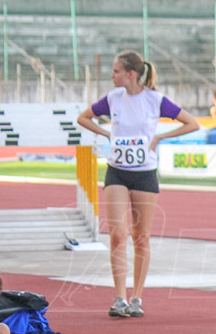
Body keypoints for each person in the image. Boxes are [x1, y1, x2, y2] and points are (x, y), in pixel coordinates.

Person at [77, 50, 199, 318]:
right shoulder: (113, 99)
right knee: (117, 234)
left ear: (130, 74)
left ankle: (137, 297)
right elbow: (83, 118)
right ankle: (119, 296)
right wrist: (106, 133)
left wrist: (158, 139)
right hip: (117, 171)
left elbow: (192, 123)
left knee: (141, 237)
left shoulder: (155, 100)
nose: (112, 75)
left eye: (116, 71)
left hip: (144, 173)